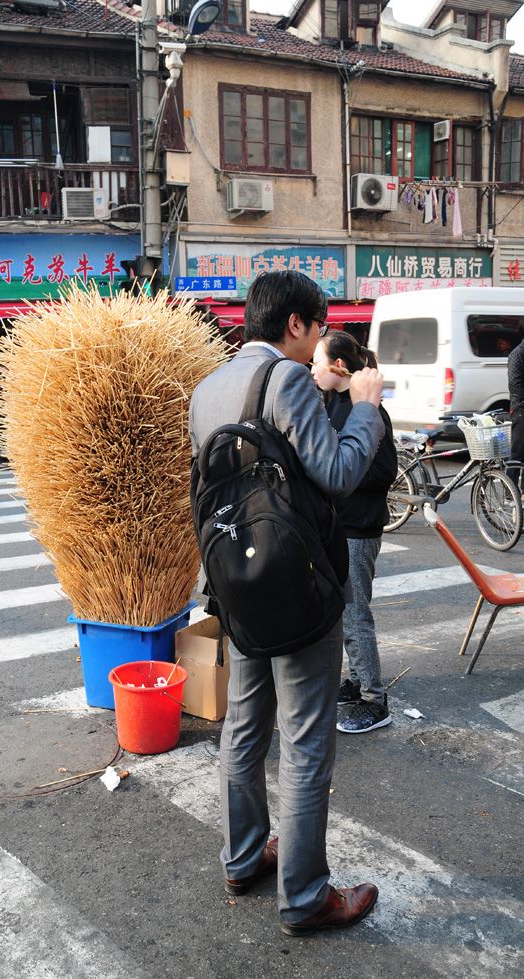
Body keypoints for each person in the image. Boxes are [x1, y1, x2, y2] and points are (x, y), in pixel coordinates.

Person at [188, 271, 384, 936]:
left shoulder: (208, 387)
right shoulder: (288, 380)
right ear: (295, 324)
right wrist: (365, 407)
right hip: (295, 587)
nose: (318, 342)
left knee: (243, 728)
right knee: (304, 742)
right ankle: (303, 896)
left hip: (237, 586)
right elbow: (337, 473)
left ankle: (242, 858)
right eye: (318, 326)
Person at [311, 332, 397, 734]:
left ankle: (375, 700)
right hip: (339, 525)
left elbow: (383, 472)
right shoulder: (332, 403)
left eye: (317, 362)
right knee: (343, 613)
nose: (312, 370)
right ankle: (358, 680)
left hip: (359, 529)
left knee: (355, 614)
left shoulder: (368, 407)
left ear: (339, 367)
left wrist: (340, 473)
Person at [507, 329, 524, 494]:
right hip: (521, 409)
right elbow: (515, 383)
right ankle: (510, 493)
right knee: (517, 454)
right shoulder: (517, 354)